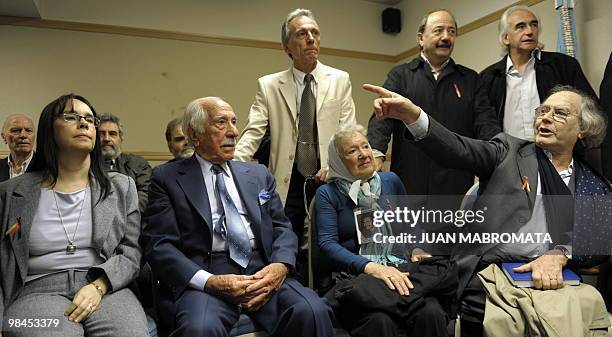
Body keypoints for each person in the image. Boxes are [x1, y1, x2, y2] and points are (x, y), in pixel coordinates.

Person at [364, 83, 611, 337]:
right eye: (543, 111)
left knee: (587, 309)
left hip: (552, 276)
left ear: (582, 129)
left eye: (559, 113)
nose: (546, 118)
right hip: (492, 271)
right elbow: (457, 149)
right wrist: (413, 116)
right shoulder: (509, 152)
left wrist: (560, 255)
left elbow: (600, 242)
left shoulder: (592, 184)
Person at [142, 97, 334, 337]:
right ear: (195, 133)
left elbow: (282, 227)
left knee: (312, 311)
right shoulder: (167, 178)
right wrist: (209, 282)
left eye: (234, 122)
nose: (233, 132)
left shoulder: (257, 174)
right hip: (209, 273)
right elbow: (160, 245)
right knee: (200, 329)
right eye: (221, 123)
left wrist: (280, 266)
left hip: (263, 269)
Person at [0, 94, 147, 337]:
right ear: (49, 128)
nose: (83, 123)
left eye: (90, 119)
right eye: (70, 117)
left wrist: (99, 286)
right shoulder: (10, 192)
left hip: (106, 287)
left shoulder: (121, 187)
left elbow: (131, 252)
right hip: (33, 292)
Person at [315, 124, 457, 337]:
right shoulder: (328, 193)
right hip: (359, 277)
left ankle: (405, 297)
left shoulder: (391, 181)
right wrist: (371, 267)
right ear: (338, 160)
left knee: (431, 313)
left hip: (400, 269)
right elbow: (327, 244)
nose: (363, 154)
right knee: (380, 321)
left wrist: (418, 248)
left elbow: (410, 224)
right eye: (352, 151)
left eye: (365, 146)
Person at [234, 8, 356, 246]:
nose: (311, 38)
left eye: (315, 32)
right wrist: (233, 167)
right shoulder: (269, 85)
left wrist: (336, 165)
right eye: (301, 33)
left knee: (326, 246)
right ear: (287, 47)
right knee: (285, 246)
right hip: (286, 181)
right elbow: (253, 131)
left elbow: (347, 131)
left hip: (327, 177)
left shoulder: (340, 80)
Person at [367, 9, 500, 199]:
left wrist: (497, 156)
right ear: (421, 38)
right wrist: (376, 153)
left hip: (456, 183)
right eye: (439, 30)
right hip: (410, 181)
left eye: (452, 31)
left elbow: (486, 124)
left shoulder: (470, 79)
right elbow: (382, 119)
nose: (446, 37)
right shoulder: (401, 76)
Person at [477, 5, 597, 141]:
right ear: (506, 38)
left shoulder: (563, 65)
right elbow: (483, 123)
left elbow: (590, 110)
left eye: (534, 25)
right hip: (508, 157)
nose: (530, 31)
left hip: (557, 155)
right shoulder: (487, 78)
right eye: (520, 26)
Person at [98, 113, 152, 214]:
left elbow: (146, 194)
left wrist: (119, 215)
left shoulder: (138, 164)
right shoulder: (83, 166)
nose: (106, 139)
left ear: (120, 139)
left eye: (112, 134)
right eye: (101, 134)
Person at [0, 114, 35, 182]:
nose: (23, 135)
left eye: (28, 130)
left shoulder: (47, 167)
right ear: (4, 137)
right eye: (15, 130)